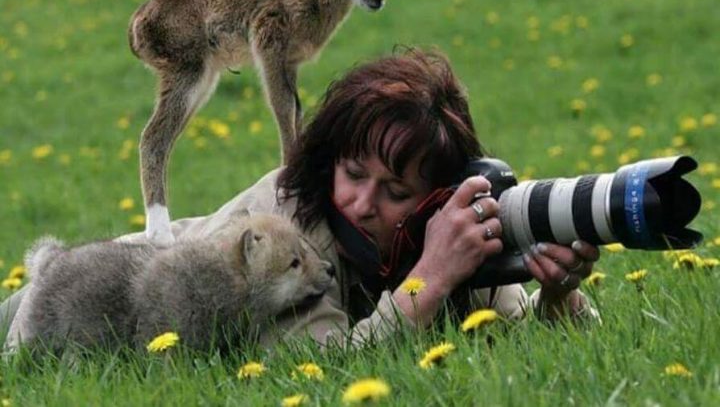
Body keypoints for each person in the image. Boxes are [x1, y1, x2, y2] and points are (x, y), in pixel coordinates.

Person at [1, 48, 600, 350]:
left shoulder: (449, 230)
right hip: (75, 299)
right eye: (352, 173)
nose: (362, 203)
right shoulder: (285, 230)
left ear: (435, 199)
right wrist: (430, 283)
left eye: (395, 191)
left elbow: (529, 343)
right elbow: (327, 370)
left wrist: (559, 296)